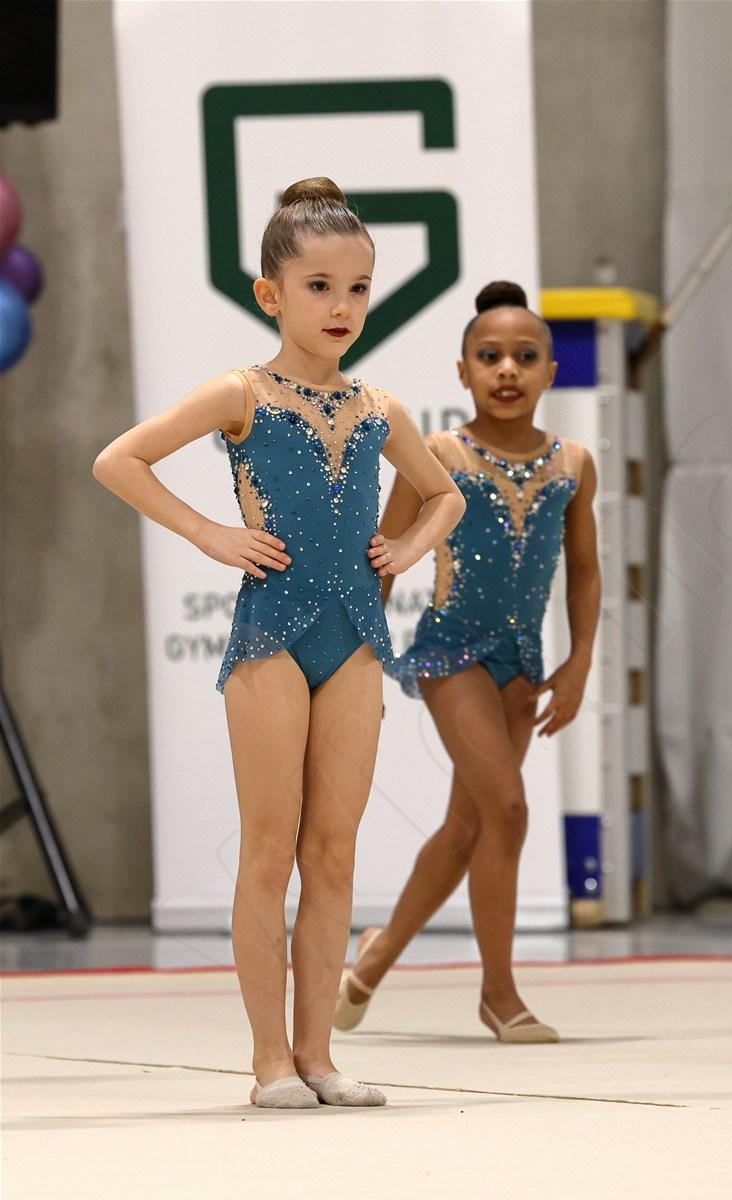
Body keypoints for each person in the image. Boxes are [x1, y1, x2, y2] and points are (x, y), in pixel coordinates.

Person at [93, 177, 464, 1107]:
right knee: (269, 850)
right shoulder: (241, 393)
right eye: (319, 287)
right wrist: (210, 535)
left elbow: (446, 495)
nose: (342, 306)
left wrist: (406, 547)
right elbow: (118, 460)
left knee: (332, 854)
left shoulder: (378, 407)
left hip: (357, 642)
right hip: (271, 639)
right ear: (271, 294)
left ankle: (319, 1056)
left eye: (358, 288)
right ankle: (269, 1061)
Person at [334, 281, 600, 1043]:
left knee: (465, 827)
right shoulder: (439, 455)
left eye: (525, 356)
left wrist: (579, 662)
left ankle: (374, 958)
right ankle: (498, 994)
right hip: (450, 654)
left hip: (521, 661)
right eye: (490, 356)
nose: (507, 369)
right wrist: (359, 662)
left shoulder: (574, 463)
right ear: (463, 371)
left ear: (550, 371)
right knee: (507, 810)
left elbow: (585, 569)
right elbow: (383, 559)